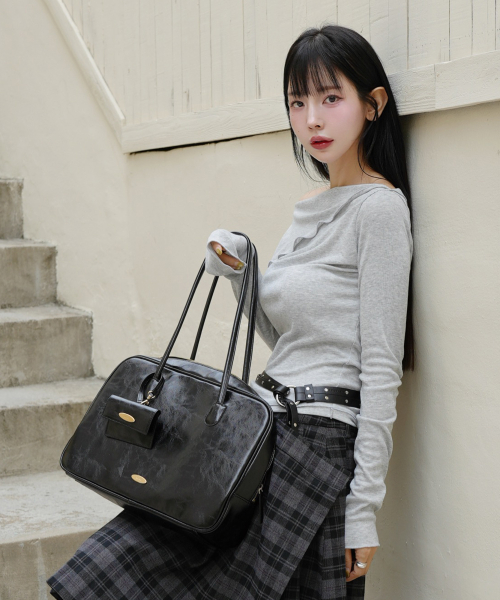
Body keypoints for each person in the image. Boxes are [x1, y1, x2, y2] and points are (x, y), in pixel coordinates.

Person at [47, 23, 413, 600]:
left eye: (330, 98)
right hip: (261, 429)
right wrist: (242, 270)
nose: (311, 119)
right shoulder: (309, 209)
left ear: (373, 105)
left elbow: (382, 368)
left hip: (318, 450)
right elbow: (281, 335)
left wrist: (364, 508)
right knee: (117, 561)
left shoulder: (380, 210)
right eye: (298, 102)